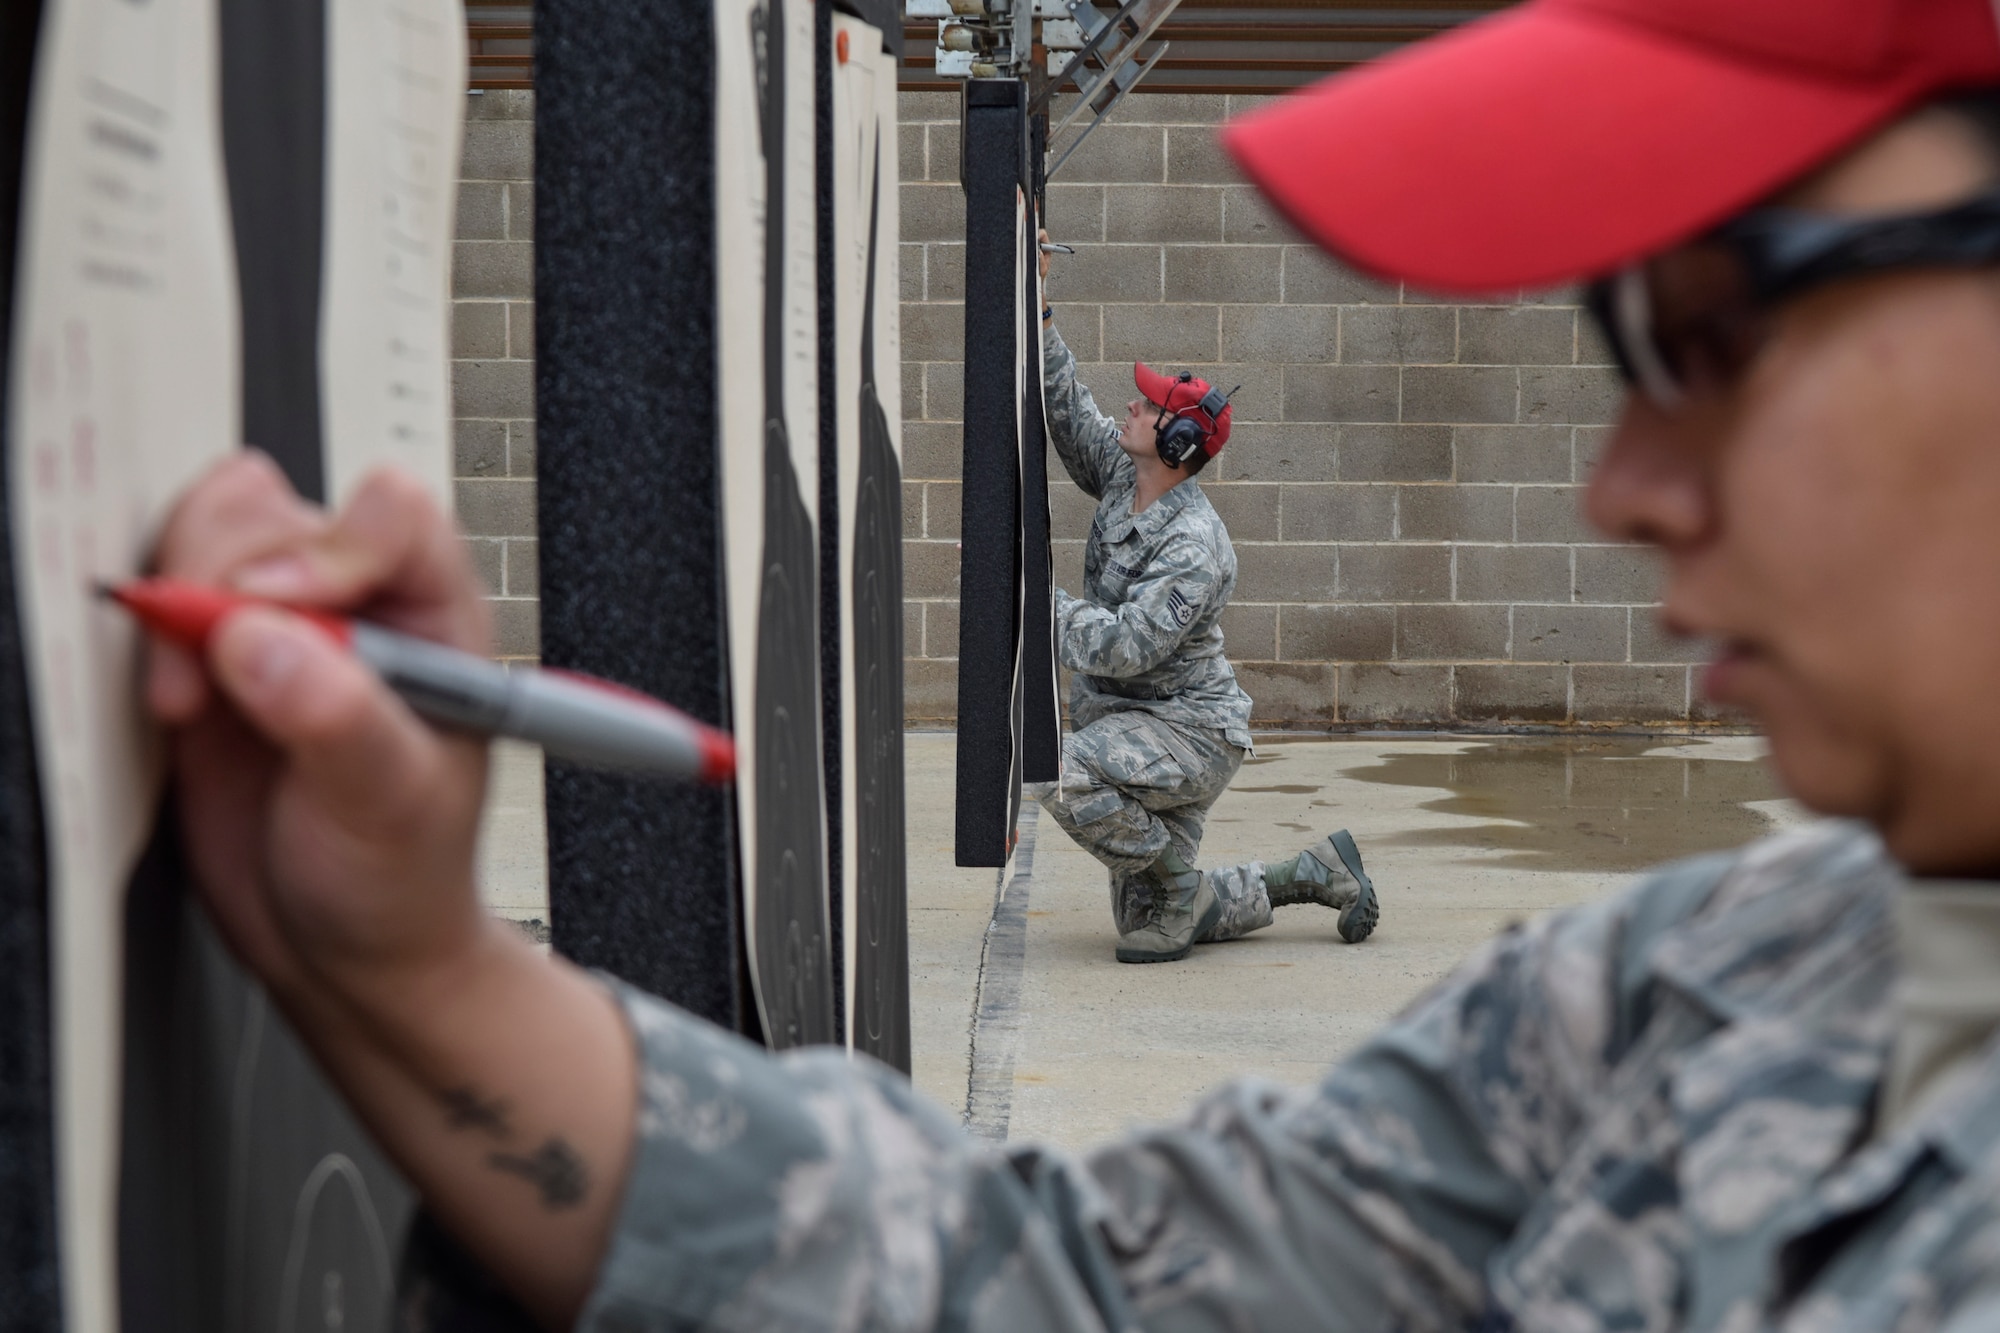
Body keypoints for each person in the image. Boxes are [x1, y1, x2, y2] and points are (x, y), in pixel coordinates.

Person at [145, 0, 2000, 1325]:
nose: (1626, 485)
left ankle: (1230, 876)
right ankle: (1258, 883)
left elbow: (1119, 629)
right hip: (1151, 731)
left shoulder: (1195, 537)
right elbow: (1058, 1279)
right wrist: (410, 960)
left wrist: (1066, 634)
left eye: (1721, 325)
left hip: (1167, 730)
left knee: (1114, 823)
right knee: (1160, 894)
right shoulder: (1709, 984)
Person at [1032, 236, 1380, 963]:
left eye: (1149, 405)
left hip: (1189, 733)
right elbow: (1067, 412)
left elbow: (1126, 646)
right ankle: (1311, 873)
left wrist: (1030, 602)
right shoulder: (1127, 477)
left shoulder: (1195, 547)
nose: (1130, 403)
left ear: (1181, 442)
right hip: (1134, 723)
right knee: (1147, 918)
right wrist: (1037, 304)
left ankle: (1180, 886)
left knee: (1056, 770)